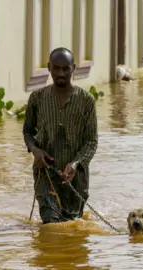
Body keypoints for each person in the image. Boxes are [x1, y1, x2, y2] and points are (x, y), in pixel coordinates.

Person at [23, 47, 98, 224]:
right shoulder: (37, 98)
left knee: (72, 224)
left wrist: (75, 163)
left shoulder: (86, 101)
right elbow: (27, 131)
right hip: (46, 174)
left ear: (74, 68)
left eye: (66, 68)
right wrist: (35, 151)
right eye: (56, 68)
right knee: (50, 224)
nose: (61, 73)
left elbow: (91, 142)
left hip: (77, 179)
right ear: (49, 68)